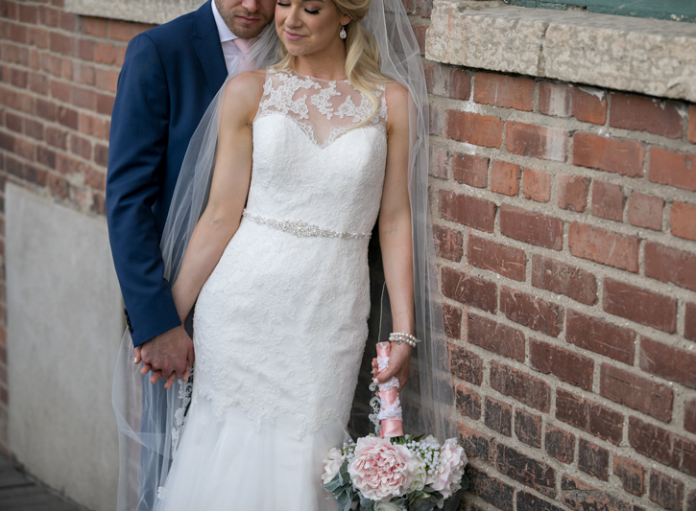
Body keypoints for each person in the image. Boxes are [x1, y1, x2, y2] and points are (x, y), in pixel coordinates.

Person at [112, 0, 457, 507]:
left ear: (345, 15)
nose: (290, 20)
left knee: (308, 453)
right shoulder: (248, 91)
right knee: (224, 451)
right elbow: (219, 215)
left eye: (310, 8)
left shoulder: (391, 102)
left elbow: (395, 219)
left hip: (329, 314)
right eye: (285, 3)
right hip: (239, 309)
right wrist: (167, 321)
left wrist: (403, 330)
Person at [106, 1, 276, 509]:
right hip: (185, 303)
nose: (252, 5)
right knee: (178, 467)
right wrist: (157, 322)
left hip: (273, 305)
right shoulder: (159, 52)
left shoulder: (301, 48)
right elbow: (128, 200)